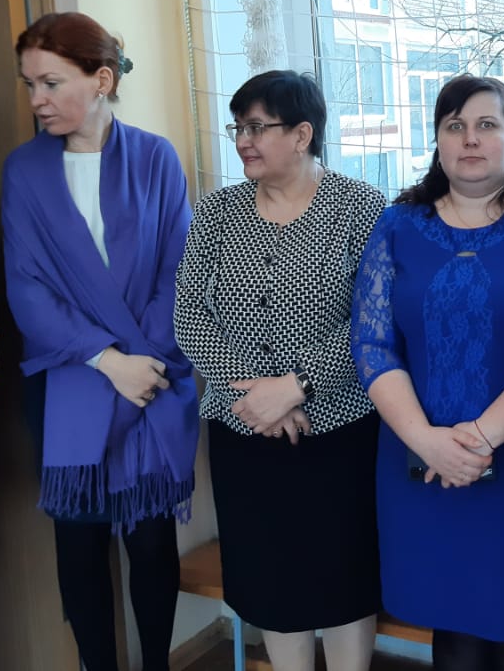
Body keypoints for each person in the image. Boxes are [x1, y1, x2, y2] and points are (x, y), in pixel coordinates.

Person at [351, 75, 504, 671]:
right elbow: (373, 344)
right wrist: (428, 441)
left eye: (488, 125)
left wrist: (481, 438)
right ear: (437, 141)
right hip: (421, 463)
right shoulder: (396, 226)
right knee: (453, 633)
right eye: (454, 126)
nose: (470, 139)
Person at [1, 13, 197, 671]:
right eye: (30, 84)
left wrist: (143, 363)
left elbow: (178, 271)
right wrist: (110, 361)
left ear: (102, 80)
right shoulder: (24, 170)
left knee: (151, 543)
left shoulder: (155, 157)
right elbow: (27, 290)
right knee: (80, 547)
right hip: (72, 380)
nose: (37, 100)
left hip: (152, 376)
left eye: (52, 83)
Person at [174, 70, 384, 671]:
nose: (243, 140)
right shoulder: (217, 212)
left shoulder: (361, 208)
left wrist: (296, 386)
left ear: (301, 134)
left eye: (257, 127)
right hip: (243, 430)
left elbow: (376, 320)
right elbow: (188, 314)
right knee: (269, 580)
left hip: (339, 429)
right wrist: (255, 396)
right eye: (238, 128)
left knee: (342, 577)